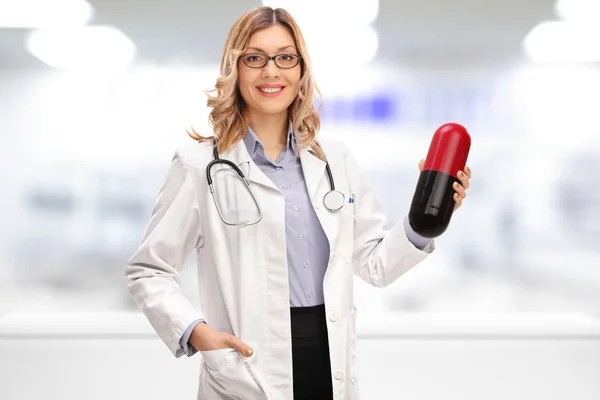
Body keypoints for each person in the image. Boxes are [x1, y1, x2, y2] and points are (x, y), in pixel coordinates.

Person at [125, 6, 472, 400]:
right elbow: (148, 269)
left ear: (301, 70)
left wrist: (423, 221)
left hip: (327, 357)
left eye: (285, 57)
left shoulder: (336, 160)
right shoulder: (198, 166)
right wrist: (196, 332)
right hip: (247, 366)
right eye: (254, 58)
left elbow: (374, 265)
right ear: (234, 69)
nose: (271, 71)